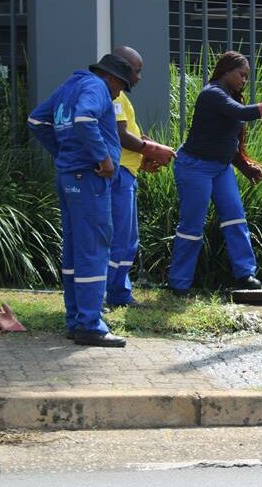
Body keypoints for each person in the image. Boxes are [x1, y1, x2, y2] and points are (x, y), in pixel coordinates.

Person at [168, 51, 262, 295]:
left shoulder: (229, 95)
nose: (244, 80)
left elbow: (228, 142)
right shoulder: (212, 94)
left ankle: (245, 273)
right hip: (195, 167)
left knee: (235, 218)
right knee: (192, 225)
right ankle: (179, 282)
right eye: (241, 74)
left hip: (221, 168)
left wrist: (245, 166)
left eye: (247, 77)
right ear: (226, 71)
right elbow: (244, 113)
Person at [27, 54, 133, 347]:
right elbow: (85, 119)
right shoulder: (97, 87)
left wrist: (64, 154)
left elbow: (36, 120)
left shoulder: (69, 86)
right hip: (89, 179)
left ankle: (76, 320)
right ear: (111, 78)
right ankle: (90, 324)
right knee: (94, 249)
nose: (118, 94)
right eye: (121, 87)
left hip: (69, 177)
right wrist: (103, 158)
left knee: (75, 249)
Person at [105, 45, 176, 308]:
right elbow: (120, 134)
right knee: (120, 239)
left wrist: (143, 155)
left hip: (127, 171)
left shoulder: (120, 96)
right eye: (137, 70)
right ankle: (108, 294)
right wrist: (152, 149)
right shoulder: (114, 96)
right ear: (121, 69)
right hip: (119, 174)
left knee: (127, 240)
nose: (139, 77)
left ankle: (119, 293)